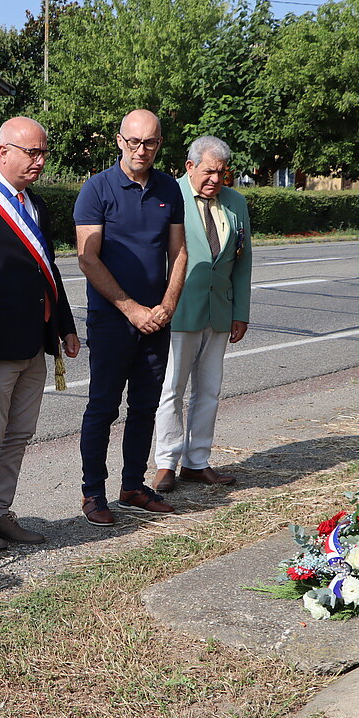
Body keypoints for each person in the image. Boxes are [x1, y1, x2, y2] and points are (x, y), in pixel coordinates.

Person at [0, 117, 79, 551]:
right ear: (3, 152)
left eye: (43, 152)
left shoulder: (34, 203)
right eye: (31, 152)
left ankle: (2, 510)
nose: (39, 161)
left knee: (20, 433)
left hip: (33, 341)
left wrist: (65, 326)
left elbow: (49, 270)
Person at [74, 109, 188, 526]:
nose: (142, 150)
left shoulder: (168, 189)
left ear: (160, 144)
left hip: (156, 321)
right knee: (103, 407)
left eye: (151, 143)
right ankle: (93, 493)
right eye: (134, 142)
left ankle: (133, 486)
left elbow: (179, 252)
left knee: (145, 406)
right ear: (119, 141)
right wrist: (132, 309)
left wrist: (167, 305)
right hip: (112, 319)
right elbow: (88, 260)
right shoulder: (96, 189)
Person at [152, 136, 252, 491]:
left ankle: (197, 461)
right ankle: (165, 463)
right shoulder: (169, 194)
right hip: (178, 310)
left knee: (208, 390)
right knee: (171, 389)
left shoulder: (236, 203)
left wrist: (241, 310)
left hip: (220, 311)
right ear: (190, 167)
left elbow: (243, 262)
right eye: (209, 171)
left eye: (222, 173)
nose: (215, 180)